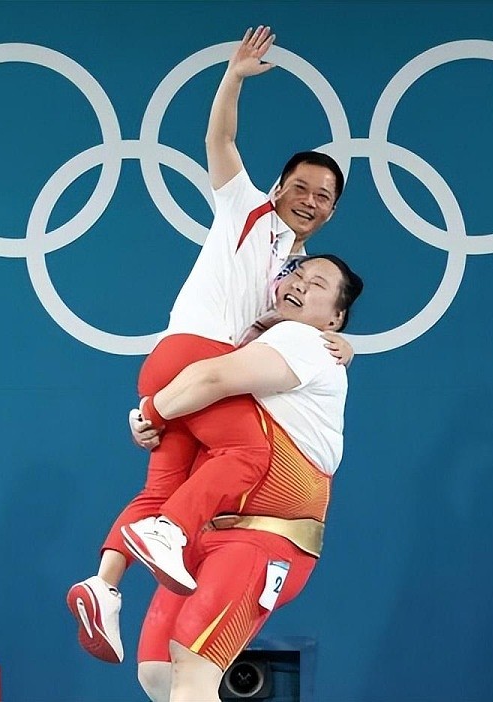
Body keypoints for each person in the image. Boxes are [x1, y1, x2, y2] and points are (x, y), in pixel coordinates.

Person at [66, 26, 349, 664]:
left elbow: (284, 335)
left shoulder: (298, 274)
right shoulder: (246, 208)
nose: (309, 201)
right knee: (248, 454)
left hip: (190, 370)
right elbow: (219, 139)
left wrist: (344, 345)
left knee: (164, 483)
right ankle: (168, 534)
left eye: (323, 197)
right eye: (300, 187)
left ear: (331, 212)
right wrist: (234, 77)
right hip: (195, 355)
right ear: (278, 187)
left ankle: (104, 586)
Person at [132, 254, 364, 702]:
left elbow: (211, 377)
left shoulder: (305, 340)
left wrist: (151, 410)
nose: (299, 283)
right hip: (206, 536)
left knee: (193, 673)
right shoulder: (260, 338)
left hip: (263, 539)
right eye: (295, 273)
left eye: (316, 283)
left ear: (335, 318)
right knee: (158, 674)